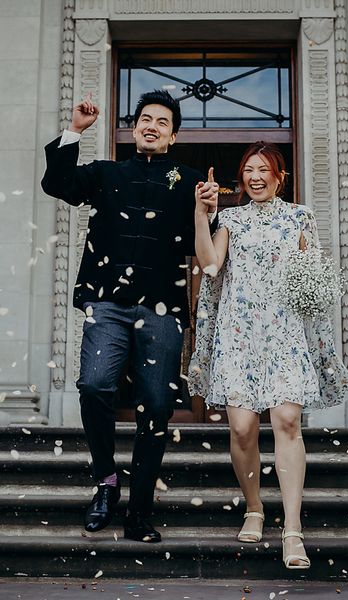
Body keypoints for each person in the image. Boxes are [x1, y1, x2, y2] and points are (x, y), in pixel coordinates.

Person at [41, 90, 219, 543]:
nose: (152, 126)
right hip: (108, 303)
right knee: (94, 384)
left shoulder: (191, 179)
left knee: (157, 407)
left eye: (162, 121)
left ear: (173, 135)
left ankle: (139, 510)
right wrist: (75, 130)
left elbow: (209, 248)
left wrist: (207, 211)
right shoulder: (107, 173)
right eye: (145, 119)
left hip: (163, 310)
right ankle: (106, 482)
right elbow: (58, 184)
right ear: (133, 128)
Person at [189, 142, 348, 568]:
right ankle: (254, 507)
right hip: (239, 334)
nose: (256, 176)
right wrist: (201, 214)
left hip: (284, 333)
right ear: (241, 178)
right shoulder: (230, 218)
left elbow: (312, 275)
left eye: (264, 169)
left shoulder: (300, 217)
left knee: (287, 421)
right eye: (249, 169)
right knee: (244, 430)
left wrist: (314, 290)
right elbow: (210, 266)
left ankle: (292, 529)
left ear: (279, 176)